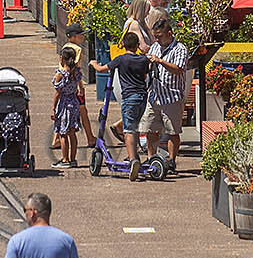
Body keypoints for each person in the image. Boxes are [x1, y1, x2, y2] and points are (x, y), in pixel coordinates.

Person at [93, 30, 152, 178]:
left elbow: (102, 69)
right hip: (142, 97)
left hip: (129, 97)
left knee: (128, 130)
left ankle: (133, 160)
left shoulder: (120, 60)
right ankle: (135, 156)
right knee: (136, 127)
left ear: (124, 45)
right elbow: (146, 74)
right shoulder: (143, 60)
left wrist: (93, 63)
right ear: (137, 45)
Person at [142, 10, 192, 170]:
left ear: (169, 33)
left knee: (172, 131)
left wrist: (160, 61)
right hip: (155, 95)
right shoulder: (155, 46)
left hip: (171, 97)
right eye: (155, 36)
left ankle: (171, 160)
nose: (157, 39)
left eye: (160, 36)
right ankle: (151, 158)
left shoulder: (180, 49)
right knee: (150, 128)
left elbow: (178, 69)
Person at [51, 46, 86, 170]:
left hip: (64, 104)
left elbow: (57, 93)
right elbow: (80, 88)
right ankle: (72, 159)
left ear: (62, 59)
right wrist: (80, 91)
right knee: (72, 132)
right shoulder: (76, 72)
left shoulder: (60, 74)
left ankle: (65, 159)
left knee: (63, 133)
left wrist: (53, 108)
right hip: (74, 103)